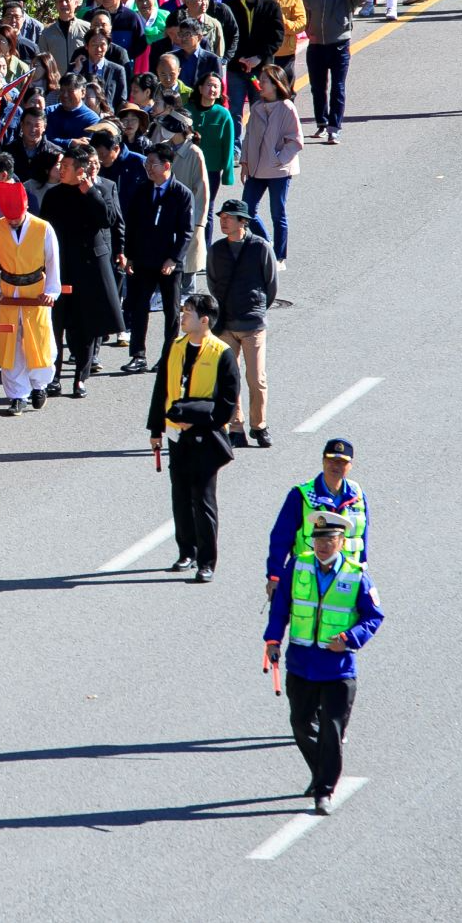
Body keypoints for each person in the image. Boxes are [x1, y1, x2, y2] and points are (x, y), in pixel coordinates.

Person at [263, 513, 383, 815]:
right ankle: (321, 771)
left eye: (329, 540)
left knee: (331, 728)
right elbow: (281, 607)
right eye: (318, 540)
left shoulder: (356, 576)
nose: (323, 546)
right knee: (301, 724)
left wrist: (350, 638)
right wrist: (273, 639)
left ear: (341, 542)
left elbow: (373, 616)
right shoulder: (299, 566)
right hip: (301, 664)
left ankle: (324, 789)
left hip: (337, 668)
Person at [145, 293, 242, 583]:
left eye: (188, 312)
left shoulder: (221, 353)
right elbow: (161, 388)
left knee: (203, 499)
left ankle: (206, 560)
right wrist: (155, 430)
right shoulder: (175, 347)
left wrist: (195, 419)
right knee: (180, 496)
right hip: (176, 435)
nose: (182, 315)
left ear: (204, 320)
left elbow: (226, 403)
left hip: (204, 437)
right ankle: (185, 551)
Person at [38, 145, 124, 399]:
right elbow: (44, 230)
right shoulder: (53, 195)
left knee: (86, 325)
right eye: (60, 166)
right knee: (57, 323)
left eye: (65, 167)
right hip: (61, 265)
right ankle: (53, 377)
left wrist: (91, 193)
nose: (60, 170)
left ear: (81, 171)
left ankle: (80, 378)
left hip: (89, 266)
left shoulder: (101, 189)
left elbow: (108, 220)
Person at [207, 200, 277, 448]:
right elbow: (213, 283)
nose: (223, 221)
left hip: (252, 323)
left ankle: (259, 426)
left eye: (229, 217)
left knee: (256, 378)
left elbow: (271, 285)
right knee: (230, 379)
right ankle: (236, 427)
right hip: (226, 323)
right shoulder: (216, 250)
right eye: (222, 216)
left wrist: (256, 307)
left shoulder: (260, 247)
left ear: (243, 221)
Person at [120, 143, 195, 374]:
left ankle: (169, 355)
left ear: (166, 166)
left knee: (171, 311)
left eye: (152, 164)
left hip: (169, 263)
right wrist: (130, 255)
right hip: (143, 259)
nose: (148, 168)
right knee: (139, 307)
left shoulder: (181, 193)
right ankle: (138, 355)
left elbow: (186, 231)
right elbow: (130, 224)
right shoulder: (142, 190)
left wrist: (173, 258)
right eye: (146, 163)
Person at [0, 181, 60, 411]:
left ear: (26, 208)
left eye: (17, 216)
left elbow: (52, 261)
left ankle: (40, 384)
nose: (13, 221)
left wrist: (51, 291)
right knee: (10, 343)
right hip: (7, 291)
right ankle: (17, 394)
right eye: (9, 217)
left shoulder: (42, 227)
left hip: (35, 290)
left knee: (39, 338)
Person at [265, 437, 368, 598]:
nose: (336, 465)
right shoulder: (301, 496)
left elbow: (362, 539)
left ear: (350, 465)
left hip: (346, 581)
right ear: (323, 461)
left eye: (342, 462)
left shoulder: (358, 496)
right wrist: (275, 576)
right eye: (332, 460)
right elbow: (280, 538)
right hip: (307, 579)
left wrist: (363, 573)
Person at [240, 64, 302, 265]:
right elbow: (248, 137)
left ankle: (279, 256)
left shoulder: (286, 107)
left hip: (278, 171)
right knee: (246, 211)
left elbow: (295, 140)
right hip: (256, 170)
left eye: (264, 80)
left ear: (276, 84)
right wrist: (245, 162)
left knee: (278, 213)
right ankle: (266, 244)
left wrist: (279, 159)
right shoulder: (257, 107)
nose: (260, 83)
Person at [301, 0, 365, 143]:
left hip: (339, 46)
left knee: (338, 87)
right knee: (317, 87)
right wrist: (309, 32)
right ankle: (321, 122)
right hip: (316, 46)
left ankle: (334, 127)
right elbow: (306, 16)